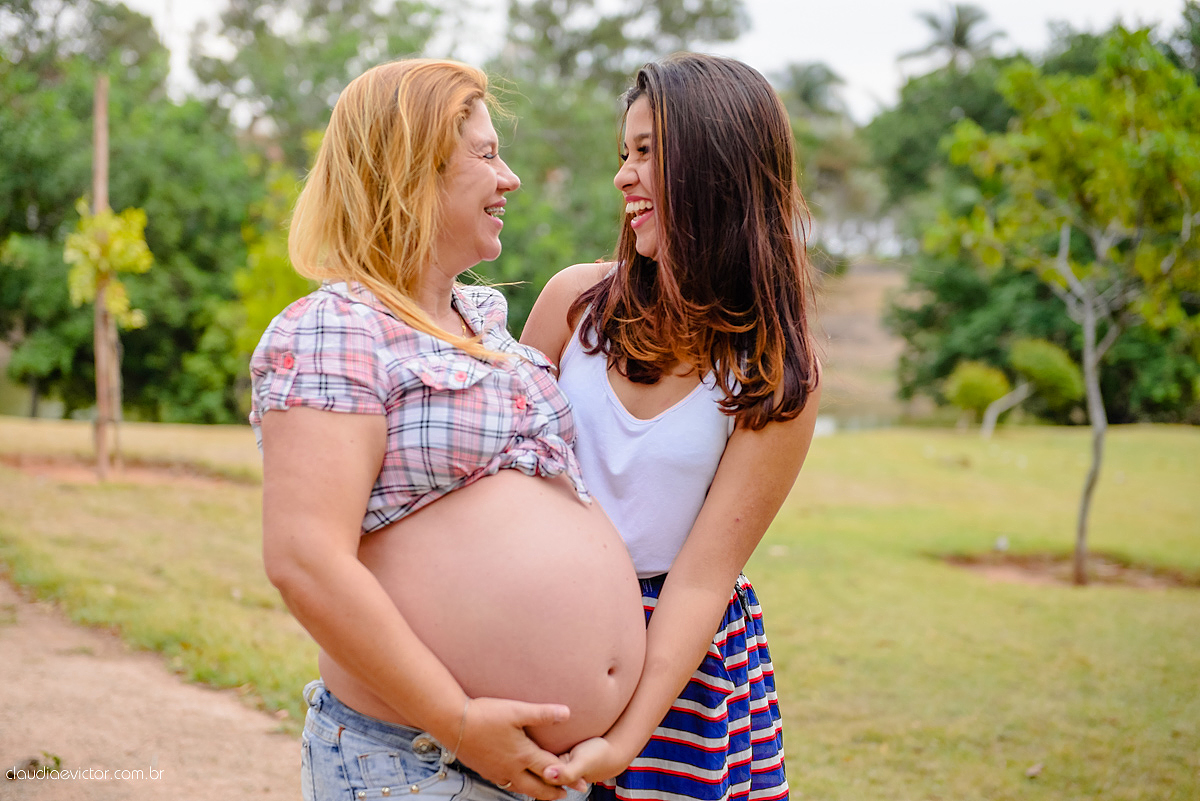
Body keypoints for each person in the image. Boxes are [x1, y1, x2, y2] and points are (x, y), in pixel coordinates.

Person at [248, 58, 647, 801]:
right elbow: (305, 559)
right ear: (413, 170)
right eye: (487, 155)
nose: (510, 178)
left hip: (556, 773)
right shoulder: (337, 328)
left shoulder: (488, 326)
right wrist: (458, 720)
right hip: (422, 763)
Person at [521, 53, 822, 801]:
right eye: (623, 153)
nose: (622, 176)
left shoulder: (772, 366)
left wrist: (623, 742)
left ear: (717, 165)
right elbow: (498, 482)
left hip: (681, 676)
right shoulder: (573, 305)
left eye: (646, 152)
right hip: (546, 629)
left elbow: (701, 579)